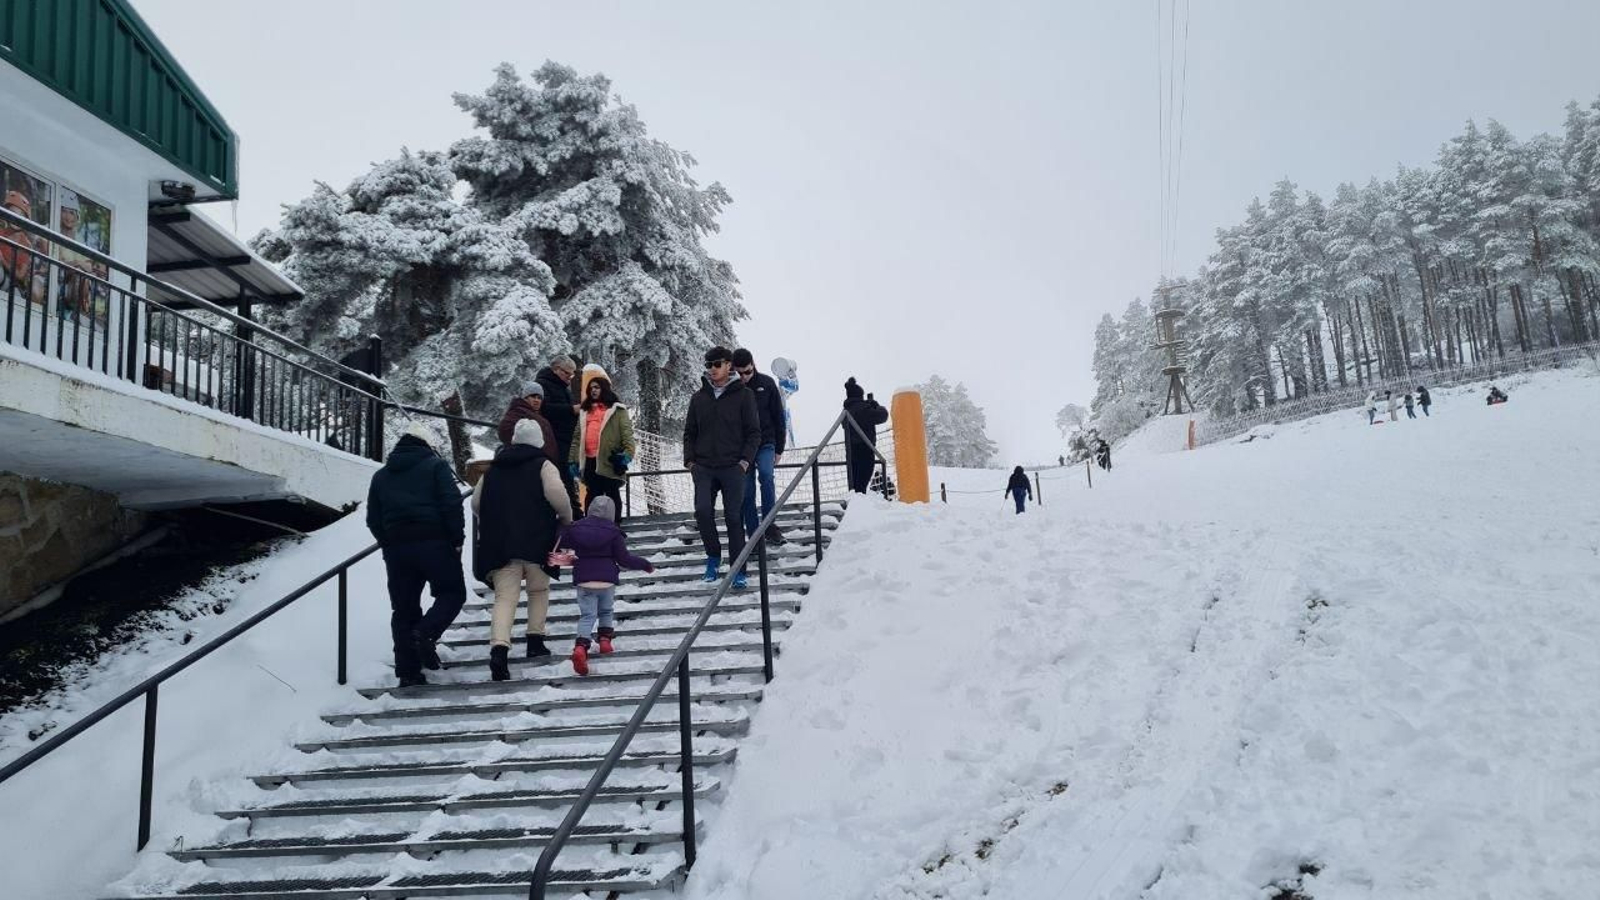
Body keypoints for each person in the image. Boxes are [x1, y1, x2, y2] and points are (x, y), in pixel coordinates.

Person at [365, 423, 467, 688]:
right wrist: (456, 539)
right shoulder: (436, 466)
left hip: (397, 550)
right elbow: (451, 503)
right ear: (427, 444)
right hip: (435, 543)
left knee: (403, 608)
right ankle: (425, 632)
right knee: (452, 593)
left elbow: (373, 518)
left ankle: (408, 671)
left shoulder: (381, 476)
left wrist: (388, 543)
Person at [472, 418, 573, 680]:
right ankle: (535, 641)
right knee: (538, 590)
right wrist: (566, 519)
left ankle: (499, 650)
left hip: (500, 544)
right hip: (537, 540)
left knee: (505, 598)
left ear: (514, 439)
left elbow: (476, 503)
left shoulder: (493, 468)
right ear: (539, 440)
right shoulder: (543, 465)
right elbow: (558, 495)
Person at [684, 345, 761, 589]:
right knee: (702, 511)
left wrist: (744, 462)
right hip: (704, 467)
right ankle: (713, 557)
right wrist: (691, 462)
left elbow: (754, 433)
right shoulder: (698, 398)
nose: (713, 369)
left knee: (734, 517)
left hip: (732, 467)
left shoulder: (744, 395)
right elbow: (689, 433)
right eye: (709, 365)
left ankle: (738, 568)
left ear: (729, 365)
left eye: (717, 364)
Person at [560, 496, 654, 675]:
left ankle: (581, 647)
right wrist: (645, 564)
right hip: (607, 580)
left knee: (587, 615)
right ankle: (605, 641)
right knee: (606, 611)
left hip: (584, 579)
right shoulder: (613, 532)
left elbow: (562, 543)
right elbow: (624, 559)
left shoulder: (575, 529)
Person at [732, 348, 789, 545]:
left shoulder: (767, 383)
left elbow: (778, 416)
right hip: (743, 447)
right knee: (747, 490)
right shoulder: (731, 390)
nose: (744, 377)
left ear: (753, 365)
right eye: (739, 373)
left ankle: (769, 525)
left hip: (766, 442)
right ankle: (754, 534)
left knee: (766, 474)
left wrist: (779, 448)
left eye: (747, 372)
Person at [569, 375, 635, 521]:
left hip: (610, 459)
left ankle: (614, 526)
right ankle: (591, 525)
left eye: (596, 387)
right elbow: (577, 438)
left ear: (604, 389)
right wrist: (573, 460)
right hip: (590, 460)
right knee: (592, 494)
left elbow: (627, 435)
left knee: (612, 494)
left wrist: (627, 455)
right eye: (591, 388)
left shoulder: (617, 410)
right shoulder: (585, 411)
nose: (593, 390)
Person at [536, 356, 581, 508]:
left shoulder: (561, 386)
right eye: (567, 373)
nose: (570, 377)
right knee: (563, 480)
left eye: (572, 374)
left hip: (565, 440)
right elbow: (545, 409)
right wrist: (571, 409)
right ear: (556, 370)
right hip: (555, 440)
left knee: (567, 479)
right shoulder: (543, 385)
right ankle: (572, 513)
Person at [842, 378, 889, 493]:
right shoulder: (863, 408)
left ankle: (856, 501)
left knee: (855, 485)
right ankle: (860, 503)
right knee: (862, 484)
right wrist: (876, 406)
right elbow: (883, 416)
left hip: (851, 450)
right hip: (865, 449)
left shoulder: (846, 410)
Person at [496, 383, 559, 465]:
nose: (536, 400)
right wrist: (526, 448)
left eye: (539, 398)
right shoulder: (518, 411)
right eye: (533, 396)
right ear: (525, 398)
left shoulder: (537, 414)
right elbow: (504, 431)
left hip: (541, 461)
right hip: (528, 462)